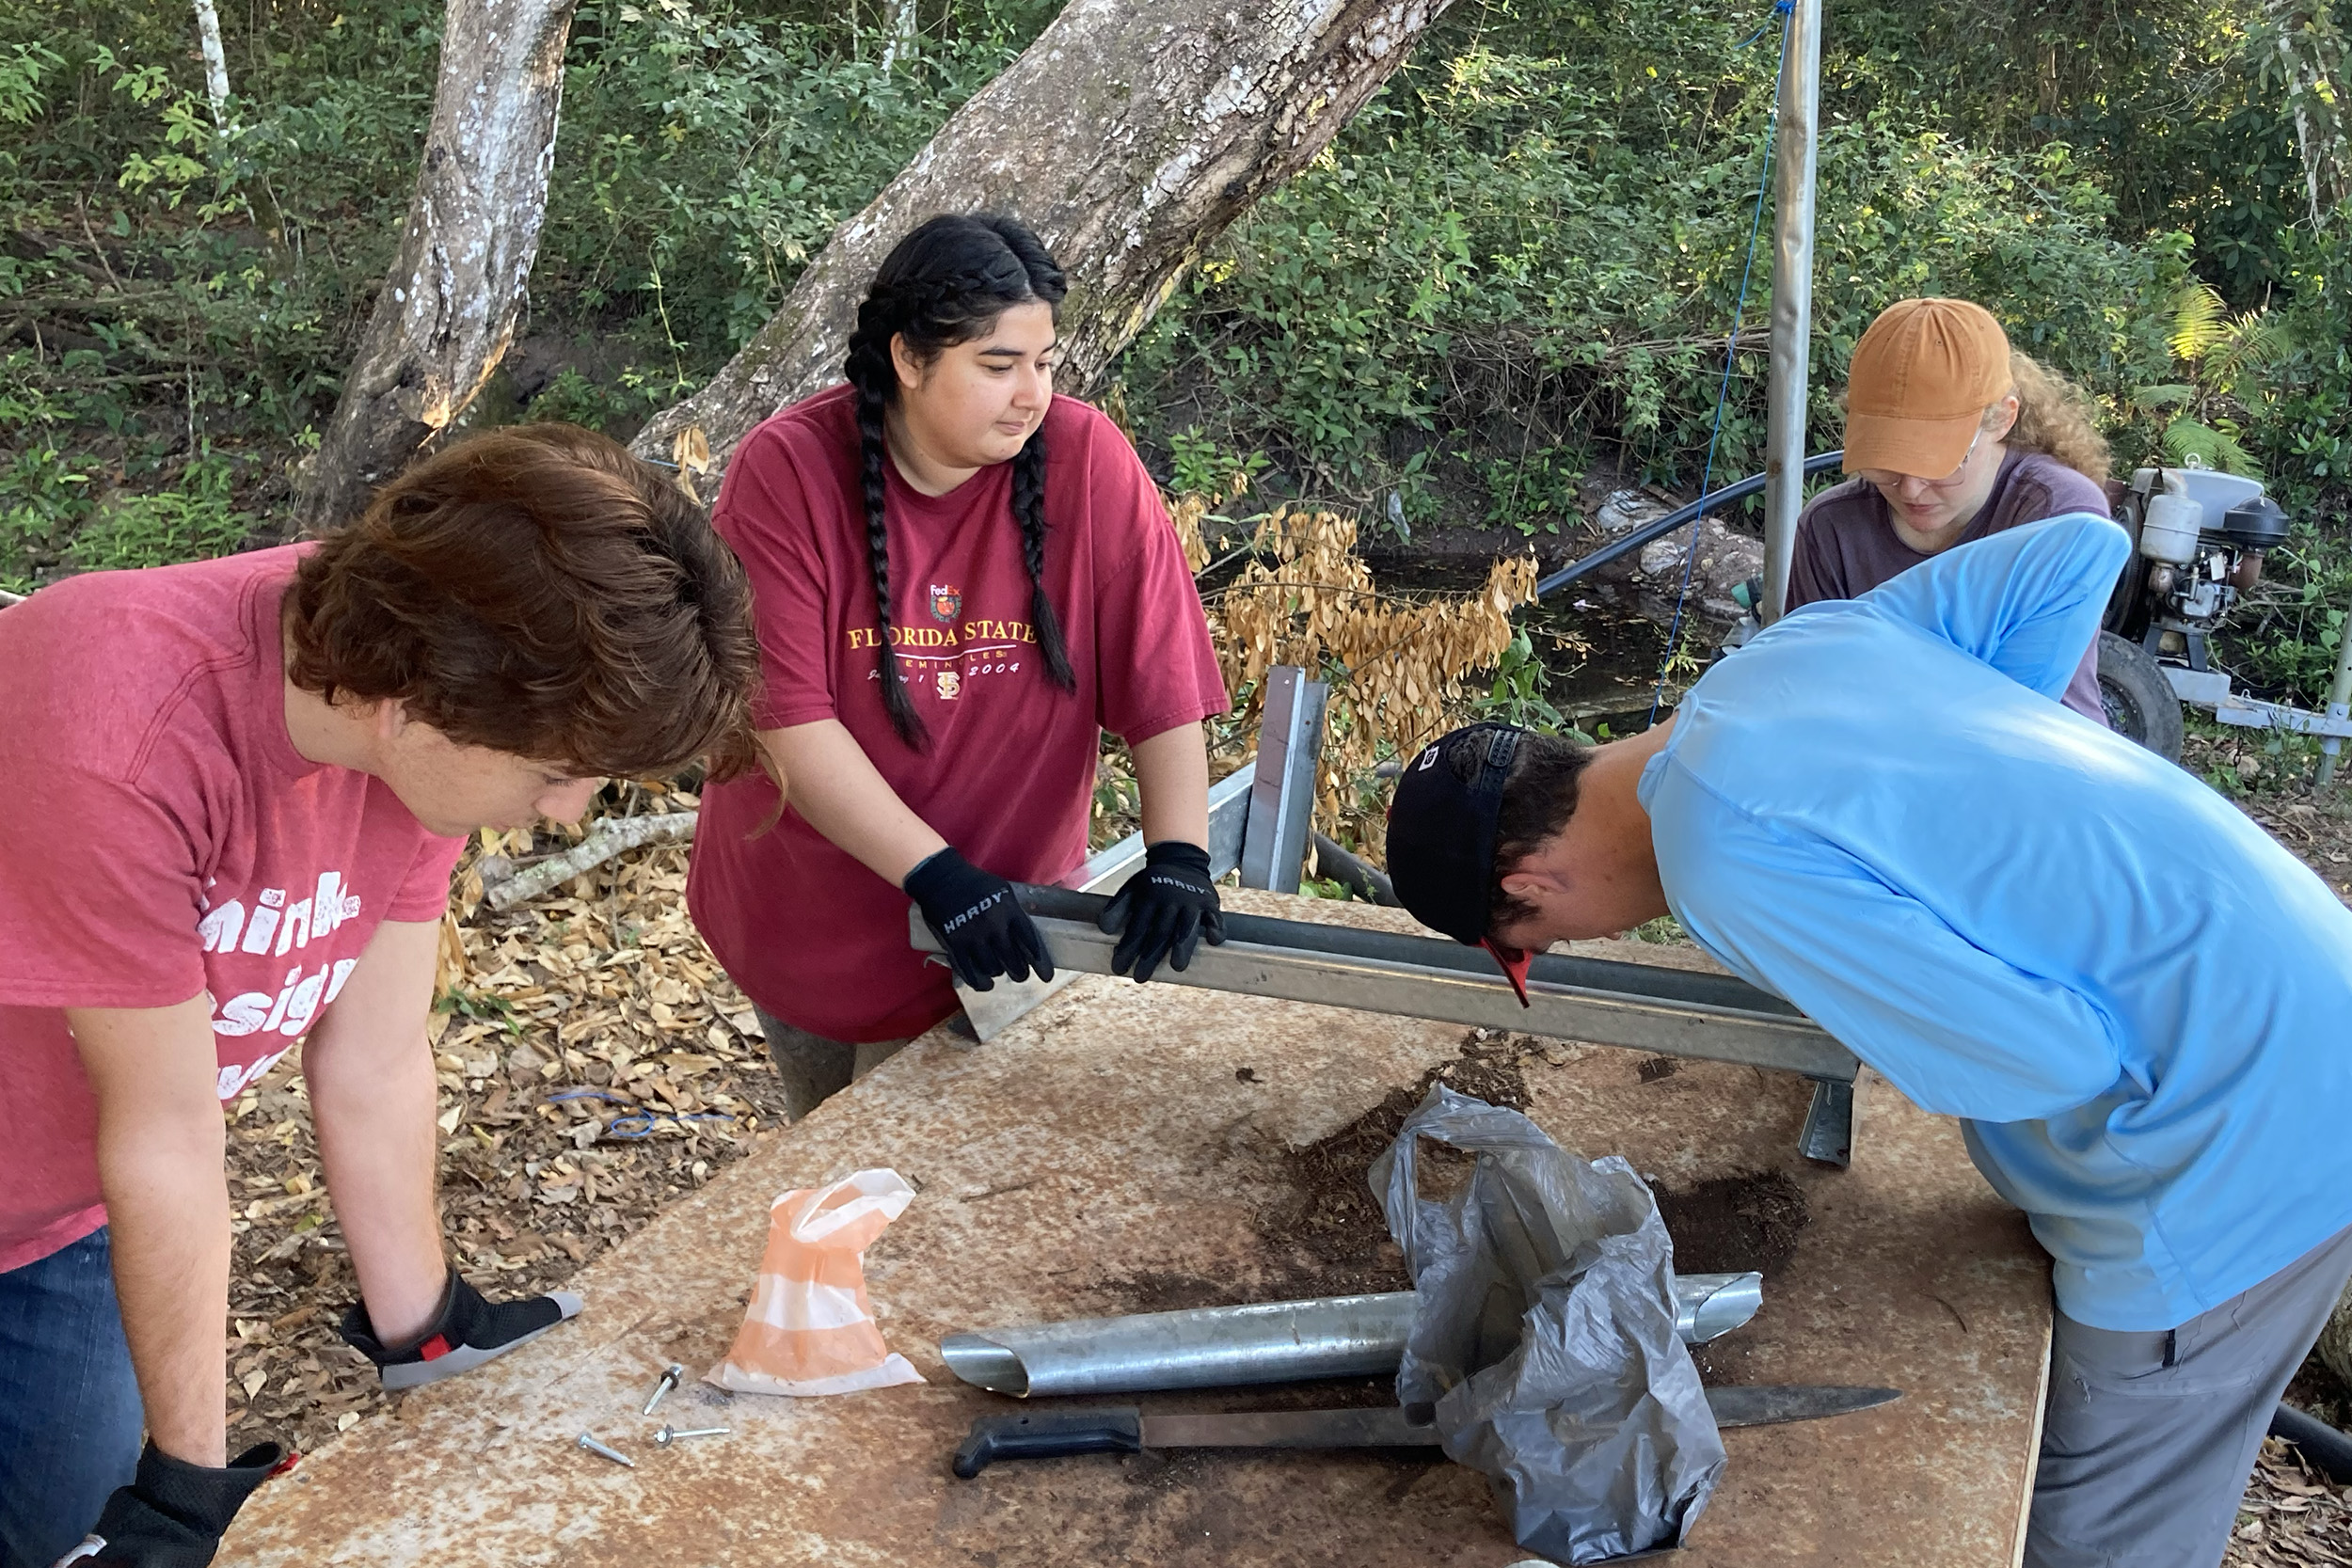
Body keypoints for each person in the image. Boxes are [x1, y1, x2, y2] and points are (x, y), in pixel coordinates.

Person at [1383, 515, 2352, 1568]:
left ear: (1529, 885)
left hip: (2239, 1129)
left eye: (1535, 946)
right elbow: (2073, 551)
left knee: (2084, 1534)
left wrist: (1915, 1004)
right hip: (2296, 973)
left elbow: (2056, 1058)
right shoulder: (1790, 654)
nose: (1568, 946)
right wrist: (1996, 829)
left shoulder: (1717, 855)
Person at [0, 425, 761, 1568]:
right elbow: (166, 1130)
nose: (566, 812)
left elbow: (375, 1056)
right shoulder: (122, 717)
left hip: (54, 1225)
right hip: (99, 1162)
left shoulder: (437, 692)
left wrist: (428, 1325)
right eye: (558, 771)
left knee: (67, 1531)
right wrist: (189, 1484)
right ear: (409, 701)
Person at [688, 214, 1231, 1117]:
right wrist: (936, 875)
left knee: (937, 1172)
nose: (1031, 395)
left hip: (1003, 922)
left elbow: (1162, 675)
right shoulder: (787, 470)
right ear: (908, 357)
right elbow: (785, 718)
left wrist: (1179, 854)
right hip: (808, 909)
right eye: (997, 365)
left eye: (1045, 363)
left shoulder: (1087, 460)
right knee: (838, 1161)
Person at [1788, 296, 2115, 722]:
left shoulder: (2058, 516)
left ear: (2002, 419)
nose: (1910, 489)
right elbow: (1804, 690)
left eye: (1939, 463)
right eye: (1886, 461)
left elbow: (2017, 710)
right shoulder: (1832, 527)